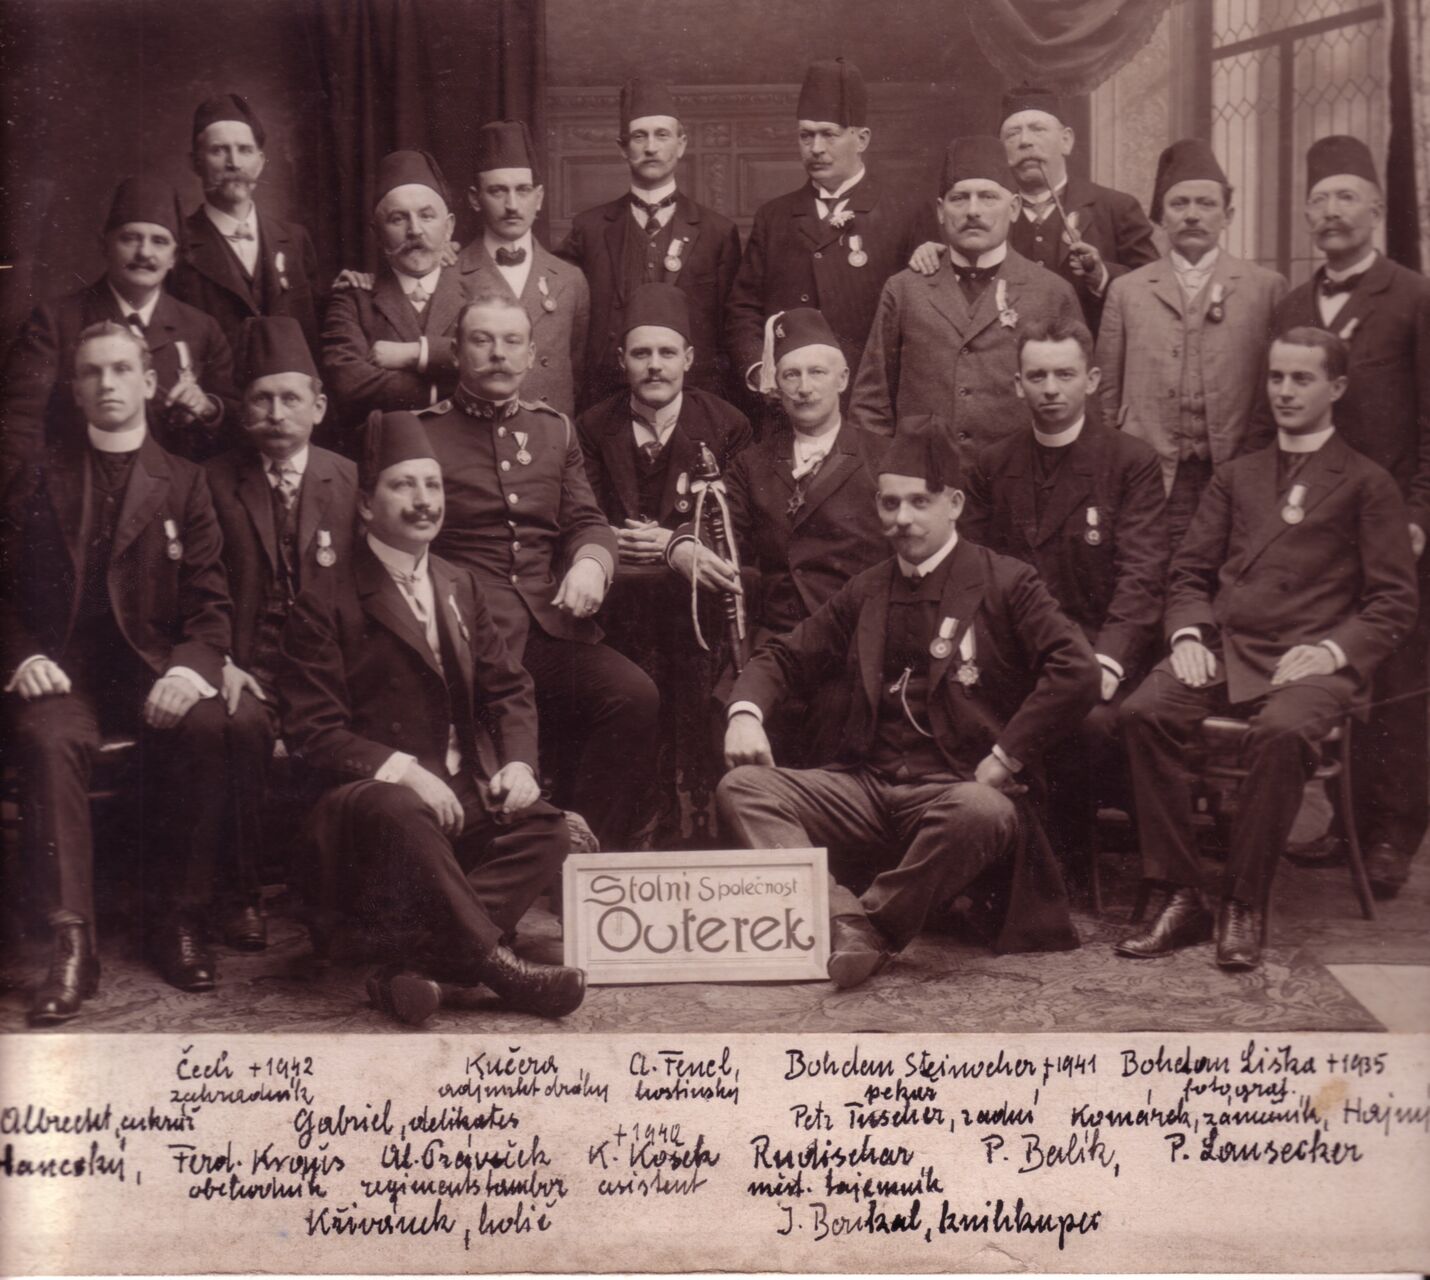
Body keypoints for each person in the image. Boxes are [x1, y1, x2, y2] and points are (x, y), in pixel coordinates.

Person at [717, 431, 1098, 988]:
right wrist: (745, 712)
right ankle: (844, 918)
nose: (903, 519)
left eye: (920, 502)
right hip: (868, 787)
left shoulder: (1006, 581)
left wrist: (1007, 756)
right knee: (744, 788)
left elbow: (1078, 670)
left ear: (954, 504)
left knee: (984, 810)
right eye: (891, 503)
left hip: (957, 788)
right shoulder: (867, 588)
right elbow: (783, 655)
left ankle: (872, 924)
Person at [1115, 328, 1418, 971]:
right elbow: (1188, 573)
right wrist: (1189, 635)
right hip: (1227, 648)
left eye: (1301, 379)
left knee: (1281, 731)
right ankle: (1179, 892)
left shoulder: (1368, 483)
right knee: (1144, 711)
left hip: (1311, 663)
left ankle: (1242, 901)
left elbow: (1394, 603)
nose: (1284, 390)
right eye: (1276, 377)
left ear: (1336, 387)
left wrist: (1332, 652)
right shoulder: (1237, 475)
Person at [278, 411, 585, 1026]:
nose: (424, 501)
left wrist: (519, 764)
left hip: (453, 800)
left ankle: (412, 967)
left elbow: (508, 688)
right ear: (367, 505)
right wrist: (404, 771)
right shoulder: (324, 596)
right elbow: (312, 731)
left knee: (548, 830)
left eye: (433, 485)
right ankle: (498, 967)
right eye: (404, 485)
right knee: (402, 806)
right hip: (362, 812)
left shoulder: (457, 583)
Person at [4, 321, 260, 1023]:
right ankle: (72, 942)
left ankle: (178, 919)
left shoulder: (185, 480)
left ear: (149, 383)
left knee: (207, 722)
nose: (107, 384)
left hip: (152, 671)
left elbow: (210, 605)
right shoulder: (38, 474)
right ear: (74, 388)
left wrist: (187, 671)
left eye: (121, 370)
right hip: (64, 675)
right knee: (50, 739)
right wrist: (23, 656)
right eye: (92, 372)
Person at [415, 294, 659, 853]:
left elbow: (586, 521)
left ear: (530, 355)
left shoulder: (554, 430)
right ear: (456, 351)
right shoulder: (420, 433)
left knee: (633, 696)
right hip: (461, 637)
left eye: (512, 342)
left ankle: (586, 855)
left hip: (546, 628)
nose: (498, 354)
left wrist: (591, 563)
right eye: (482, 341)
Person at [1269, 135, 1430, 899]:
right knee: (1328, 663)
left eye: (1346, 198)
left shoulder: (1413, 296)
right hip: (1316, 526)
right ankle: (1344, 822)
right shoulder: (1291, 306)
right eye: (1319, 200)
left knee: (1394, 673)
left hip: (1394, 522)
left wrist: (1419, 513)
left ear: (1375, 209)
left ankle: (1393, 832)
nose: (1331, 212)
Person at [962, 317, 1167, 882]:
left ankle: (1063, 864)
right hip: (1018, 654)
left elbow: (1142, 576)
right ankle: (993, 860)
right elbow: (974, 573)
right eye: (1037, 376)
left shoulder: (1130, 462)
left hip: (1097, 654)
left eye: (1065, 374)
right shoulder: (993, 465)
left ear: (1092, 380)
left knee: (1088, 723)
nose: (1051, 388)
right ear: (1017, 385)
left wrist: (1107, 663)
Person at [205, 316, 358, 950]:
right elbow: (197, 584)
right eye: (262, 399)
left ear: (317, 407)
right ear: (243, 410)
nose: (276, 414)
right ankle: (240, 896)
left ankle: (338, 892)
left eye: (290, 398)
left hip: (330, 666)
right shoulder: (212, 481)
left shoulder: (349, 478)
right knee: (237, 726)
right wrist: (219, 658)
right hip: (248, 663)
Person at [1096, 139, 1288, 548]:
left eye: (1206, 204)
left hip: (1236, 472)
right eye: (1179, 204)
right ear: (1161, 218)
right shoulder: (1127, 291)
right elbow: (1106, 398)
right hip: (1151, 476)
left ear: (1228, 215)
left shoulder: (1265, 288)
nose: (1193, 215)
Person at [847, 136, 1080, 461]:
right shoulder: (904, 290)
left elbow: (1076, 402)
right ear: (941, 211)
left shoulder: (1051, 292)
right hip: (923, 480)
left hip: (1019, 477)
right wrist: (885, 477)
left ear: (1013, 208)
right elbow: (871, 404)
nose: (973, 211)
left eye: (988, 197)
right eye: (959, 198)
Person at [667, 307, 886, 649]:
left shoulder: (883, 457)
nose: (804, 388)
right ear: (777, 386)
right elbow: (717, 527)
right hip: (779, 641)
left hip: (860, 639)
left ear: (842, 379)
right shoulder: (752, 464)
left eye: (817, 372)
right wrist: (683, 544)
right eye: (791, 375)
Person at [2, 176, 235, 475]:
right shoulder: (54, 322)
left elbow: (235, 422)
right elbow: (20, 426)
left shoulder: (202, 329)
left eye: (159, 241)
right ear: (105, 245)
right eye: (130, 238)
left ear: (174, 258)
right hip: (78, 489)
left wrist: (208, 408)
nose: (144, 253)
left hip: (175, 493)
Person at [726, 57, 928, 395]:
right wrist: (759, 369)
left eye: (829, 135)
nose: (816, 148)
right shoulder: (774, 217)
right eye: (806, 136)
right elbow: (743, 308)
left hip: (871, 397)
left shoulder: (905, 213)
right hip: (792, 395)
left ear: (861, 139)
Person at [560, 78, 741, 409]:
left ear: (681, 144)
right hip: (606, 401)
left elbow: (731, 328)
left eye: (662, 135)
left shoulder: (718, 232)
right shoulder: (589, 229)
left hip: (695, 400)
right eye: (639, 136)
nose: (651, 147)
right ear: (622, 148)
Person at [578, 282, 751, 554]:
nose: (654, 366)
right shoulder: (592, 427)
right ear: (622, 360)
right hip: (618, 569)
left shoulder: (728, 425)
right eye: (641, 353)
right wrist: (607, 537)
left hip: (693, 571)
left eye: (667, 353)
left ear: (688, 359)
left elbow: (737, 523)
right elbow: (582, 515)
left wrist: (677, 541)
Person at [321, 150, 465, 430]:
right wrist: (442, 390)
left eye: (427, 216)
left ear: (448, 227)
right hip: (384, 448)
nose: (415, 231)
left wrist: (418, 354)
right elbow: (348, 382)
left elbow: (492, 361)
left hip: (466, 448)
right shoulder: (353, 300)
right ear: (377, 233)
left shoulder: (479, 291)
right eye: (398, 219)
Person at [169, 93, 323, 355]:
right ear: (195, 163)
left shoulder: (295, 239)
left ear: (260, 162)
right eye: (218, 150)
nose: (234, 163)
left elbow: (315, 329)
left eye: (245, 150)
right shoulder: (175, 243)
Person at [456, 120, 589, 417]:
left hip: (551, 433)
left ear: (538, 198)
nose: (512, 205)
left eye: (523, 190)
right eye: (497, 191)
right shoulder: (451, 273)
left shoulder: (570, 280)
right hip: (477, 432)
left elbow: (578, 373)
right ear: (475, 199)